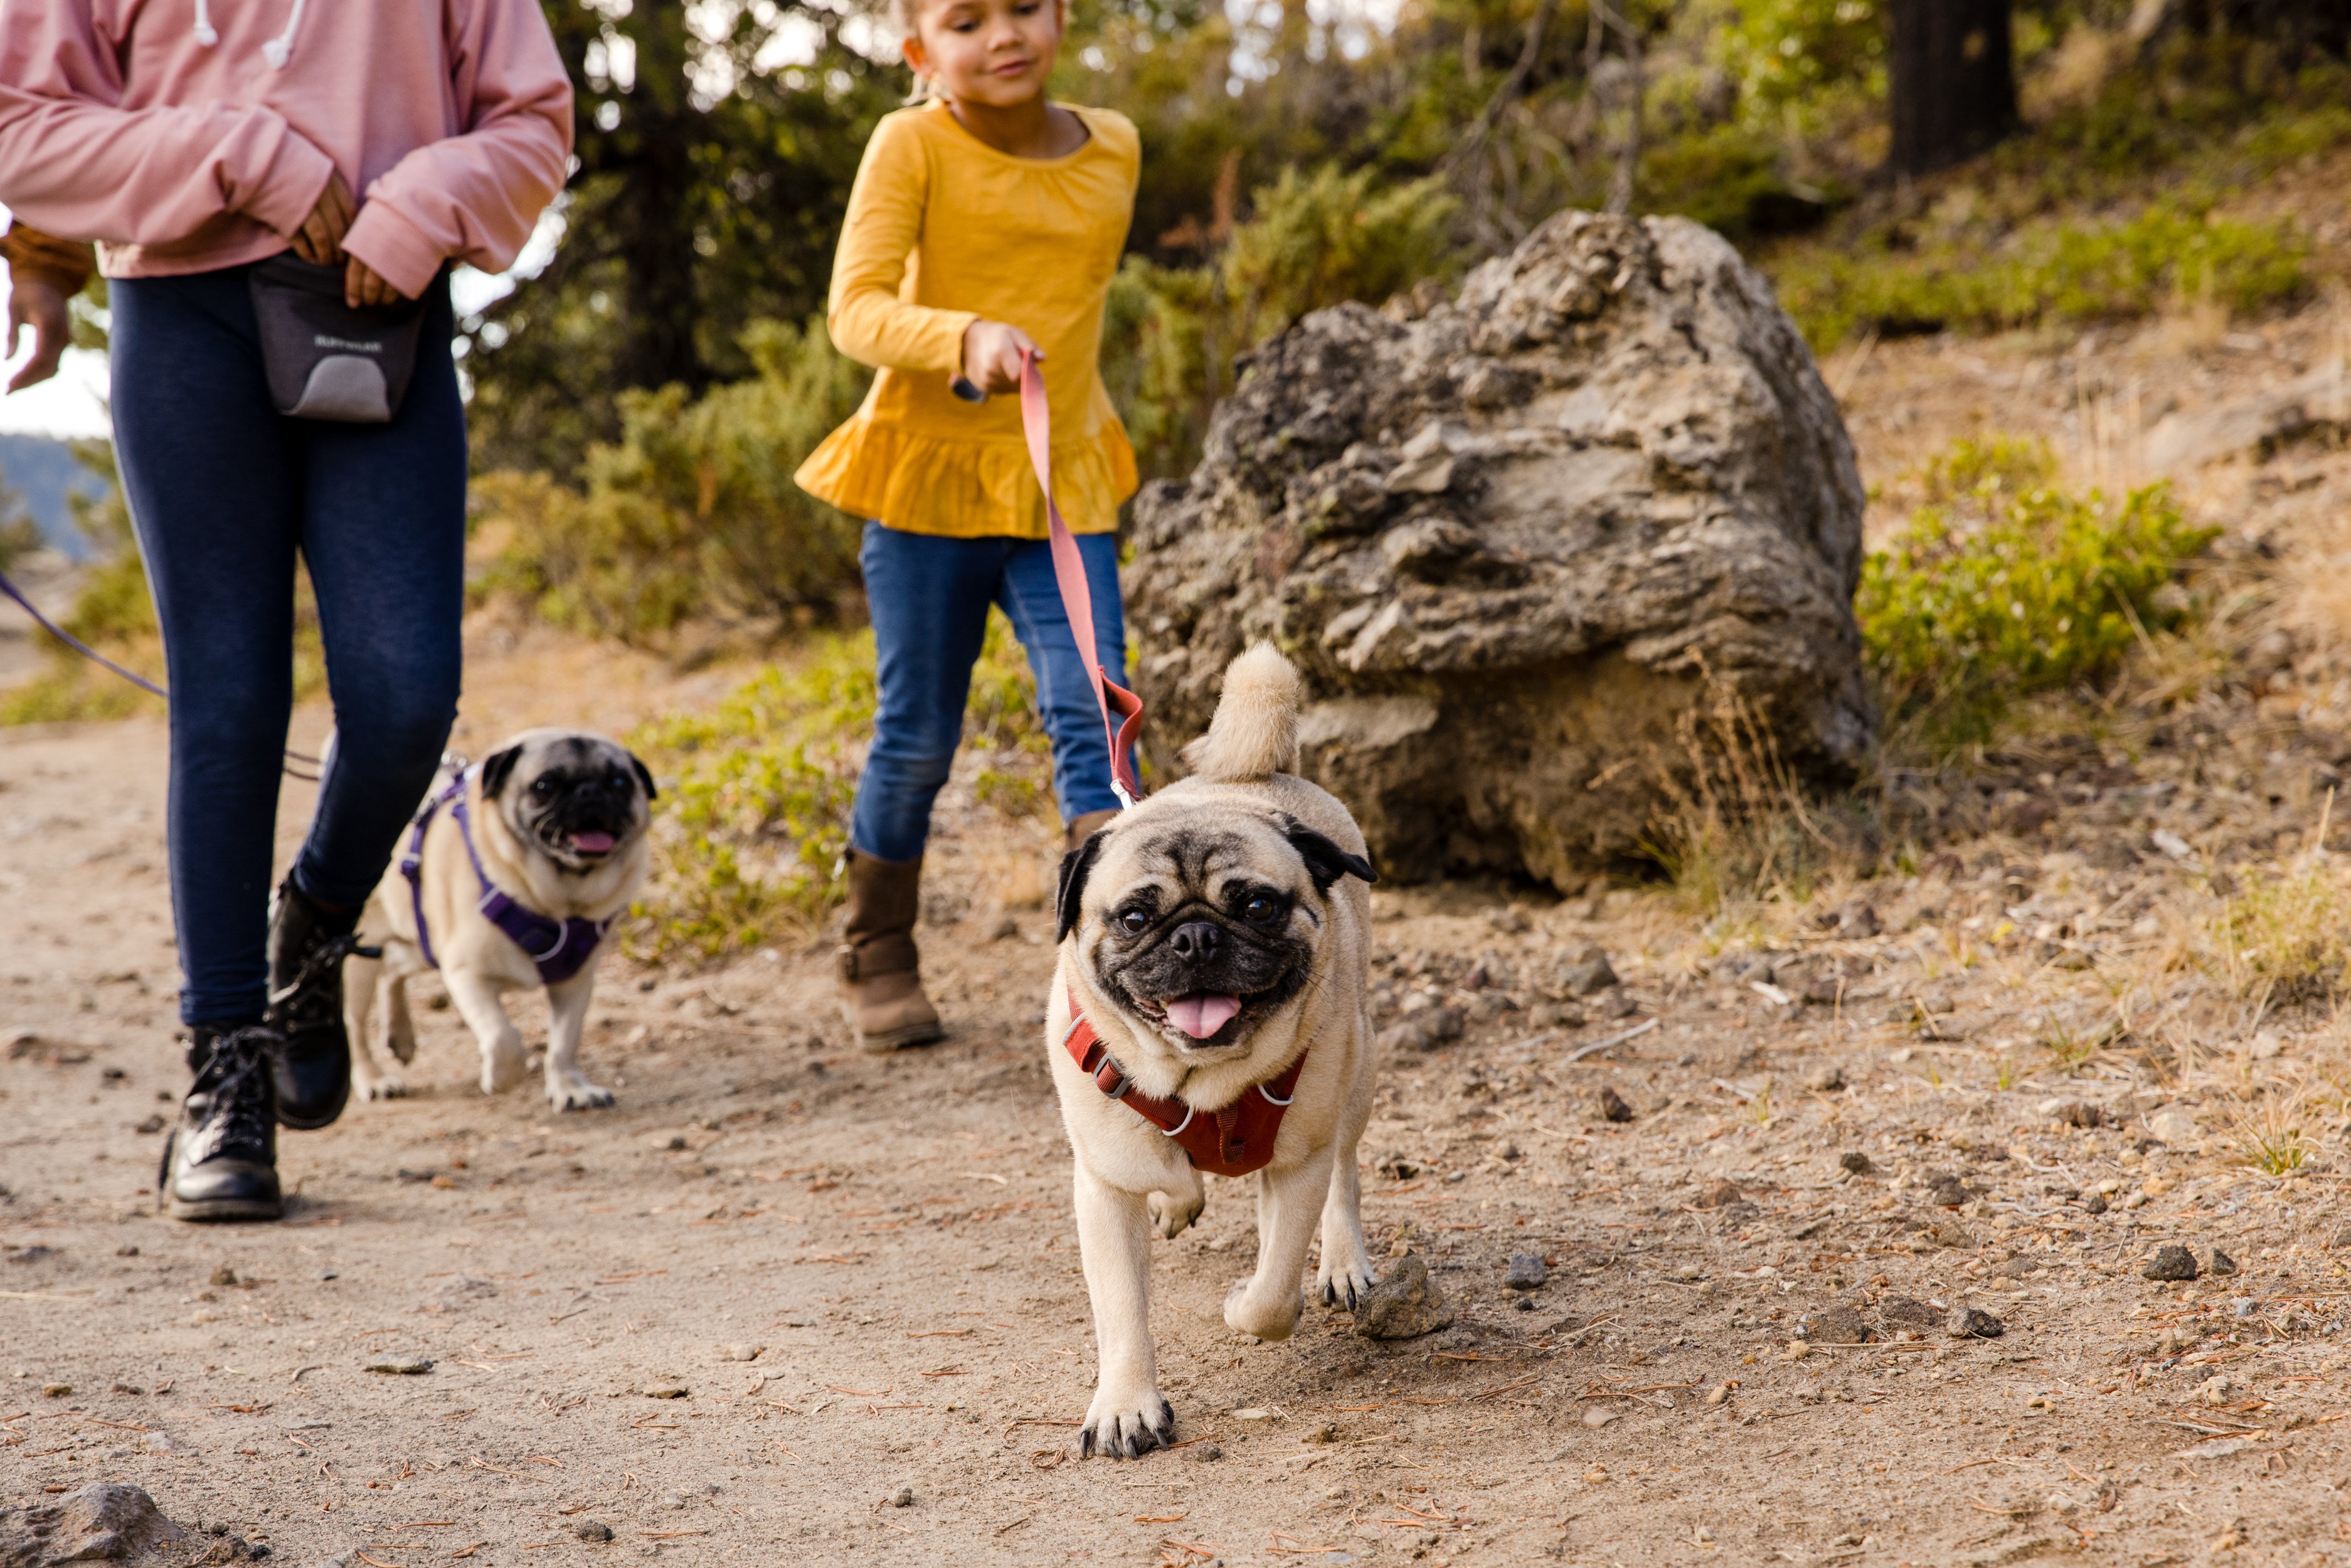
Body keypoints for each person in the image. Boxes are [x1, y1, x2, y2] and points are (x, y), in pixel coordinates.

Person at [0, 0, 573, 1221]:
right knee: (229, 700)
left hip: (381, 292)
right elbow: (24, 126)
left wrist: (425, 205)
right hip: (181, 311)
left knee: (407, 692)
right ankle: (224, 1073)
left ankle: (312, 916)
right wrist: (235, 157)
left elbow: (533, 122)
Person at [796, 0, 1141, 1054]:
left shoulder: (1115, 145)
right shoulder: (910, 142)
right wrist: (964, 336)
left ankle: (1126, 967)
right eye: (965, 20)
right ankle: (879, 952)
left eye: (1025, 9)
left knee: (1099, 721)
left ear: (1062, 17)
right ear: (920, 55)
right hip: (926, 484)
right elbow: (854, 309)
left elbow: (1070, 303)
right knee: (917, 740)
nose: (1004, 35)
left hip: (1058, 485)